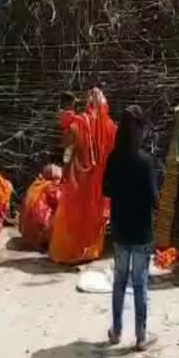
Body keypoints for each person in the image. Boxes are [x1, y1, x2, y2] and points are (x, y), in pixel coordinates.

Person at [103, 106, 159, 351]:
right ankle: (141, 337)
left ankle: (116, 332)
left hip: (120, 230)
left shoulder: (114, 158)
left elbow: (105, 189)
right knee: (139, 284)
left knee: (119, 282)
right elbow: (155, 200)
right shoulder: (147, 162)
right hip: (142, 232)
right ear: (138, 130)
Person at [49, 88, 117, 265]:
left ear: (88, 104)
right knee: (94, 213)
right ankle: (91, 250)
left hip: (79, 177)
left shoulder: (81, 121)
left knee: (74, 212)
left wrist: (65, 123)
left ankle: (72, 250)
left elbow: (67, 141)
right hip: (100, 178)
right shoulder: (110, 126)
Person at [19, 165, 63, 252]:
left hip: (27, 232)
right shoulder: (52, 188)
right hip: (42, 232)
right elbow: (63, 202)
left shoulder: (35, 185)